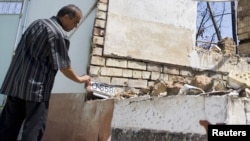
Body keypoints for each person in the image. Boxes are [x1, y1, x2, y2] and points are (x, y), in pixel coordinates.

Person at [0, 4, 91, 141]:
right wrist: (80, 79)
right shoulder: (58, 34)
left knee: (7, 127)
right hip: (36, 90)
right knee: (34, 129)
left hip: (15, 84)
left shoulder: (36, 24)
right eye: (75, 22)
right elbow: (64, 66)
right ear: (66, 17)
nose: (76, 26)